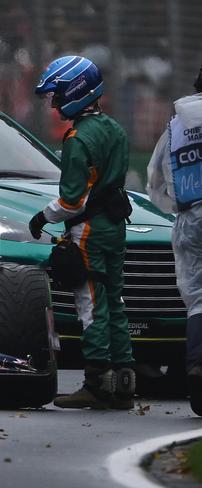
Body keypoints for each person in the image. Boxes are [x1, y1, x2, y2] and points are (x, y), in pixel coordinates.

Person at [29, 55, 135, 409]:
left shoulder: (77, 139)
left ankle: (96, 383)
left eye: (58, 94)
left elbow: (72, 201)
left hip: (88, 230)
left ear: (75, 91)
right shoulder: (116, 130)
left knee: (91, 304)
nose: (55, 102)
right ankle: (124, 382)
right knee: (116, 302)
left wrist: (43, 217)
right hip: (116, 227)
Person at [146, 65, 202, 416]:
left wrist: (181, 211)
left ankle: (196, 363)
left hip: (190, 220)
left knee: (198, 300)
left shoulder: (176, 124)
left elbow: (155, 183)